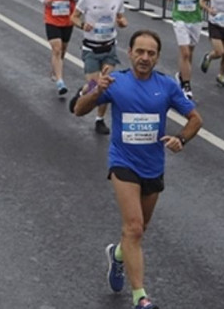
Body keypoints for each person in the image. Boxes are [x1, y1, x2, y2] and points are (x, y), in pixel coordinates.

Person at [73, 30, 201, 309]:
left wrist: (181, 138)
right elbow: (78, 110)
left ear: (157, 57)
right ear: (129, 53)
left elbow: (195, 119)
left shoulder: (166, 86)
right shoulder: (116, 82)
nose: (144, 58)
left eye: (150, 53)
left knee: (139, 229)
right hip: (123, 163)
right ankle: (140, 298)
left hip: (153, 167)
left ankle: (118, 256)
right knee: (133, 227)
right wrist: (97, 91)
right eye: (139, 52)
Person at [69, 0, 128, 135]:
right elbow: (73, 17)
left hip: (109, 47)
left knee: (105, 85)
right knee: (94, 85)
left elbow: (120, 16)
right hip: (91, 49)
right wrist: (82, 25)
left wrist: (123, 22)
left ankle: (99, 120)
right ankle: (82, 92)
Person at [164, 0, 210, 100]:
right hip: (179, 18)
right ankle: (187, 86)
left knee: (189, 53)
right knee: (184, 53)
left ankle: (181, 75)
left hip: (195, 19)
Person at [36, 0, 84, 95]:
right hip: (51, 19)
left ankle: (55, 70)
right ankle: (60, 81)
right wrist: (45, 1)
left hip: (67, 20)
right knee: (56, 48)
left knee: (62, 50)